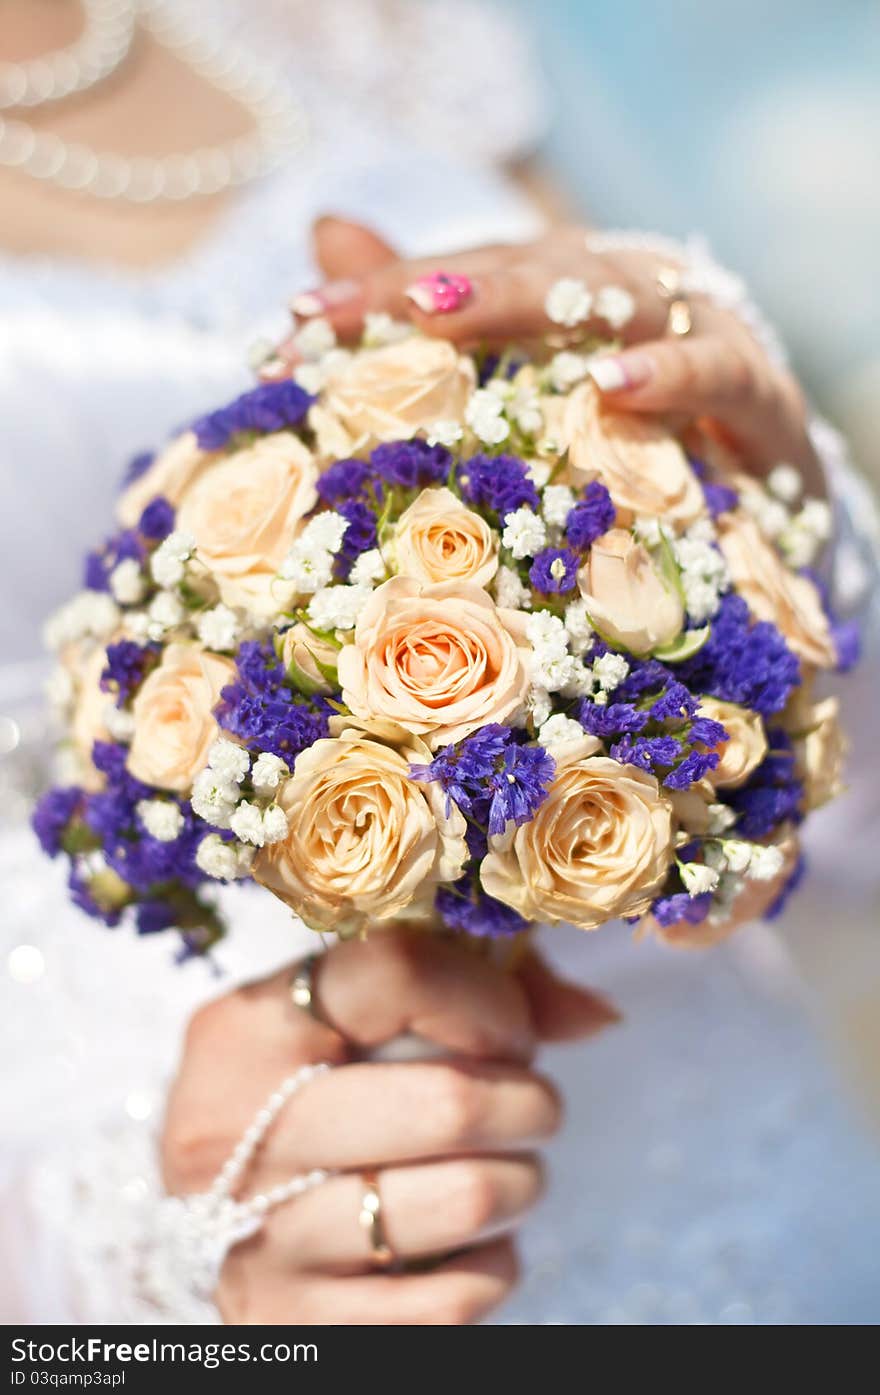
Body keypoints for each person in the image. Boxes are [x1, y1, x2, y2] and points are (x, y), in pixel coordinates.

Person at [2, 0, 878, 1325]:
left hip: (748, 1164)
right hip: (248, 1214)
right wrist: (137, 1246)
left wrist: (784, 528)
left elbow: (843, 849)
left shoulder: (372, 23)